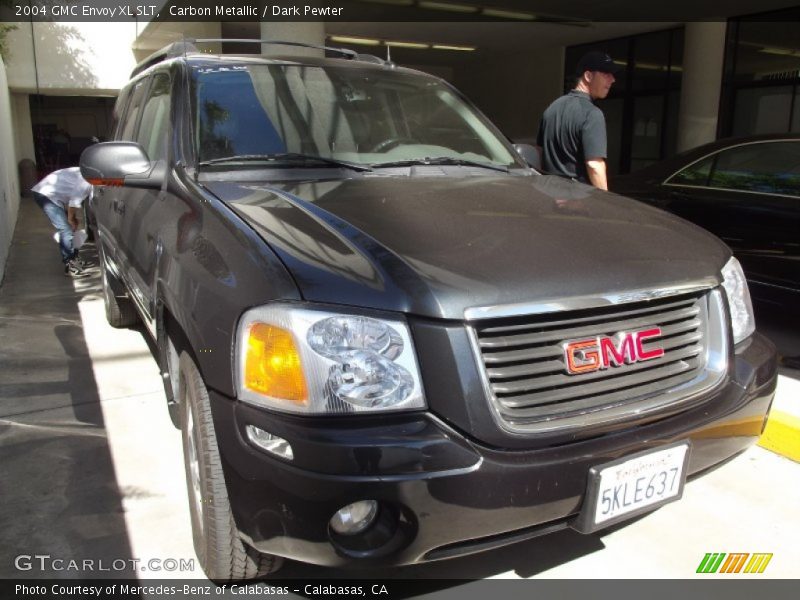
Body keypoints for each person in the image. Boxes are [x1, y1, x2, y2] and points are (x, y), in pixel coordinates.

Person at [536, 51, 620, 190]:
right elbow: (594, 165)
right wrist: (606, 202)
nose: (612, 79)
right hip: (578, 200)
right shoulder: (592, 114)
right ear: (588, 76)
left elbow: (539, 152)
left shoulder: (552, 108)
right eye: (606, 74)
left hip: (549, 195)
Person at [30, 167, 91, 277]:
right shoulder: (87, 181)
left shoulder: (87, 171)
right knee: (65, 229)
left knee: (72, 225)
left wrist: (72, 217)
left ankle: (74, 258)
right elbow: (74, 201)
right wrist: (70, 218)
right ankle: (70, 265)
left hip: (54, 195)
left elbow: (70, 195)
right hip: (45, 195)